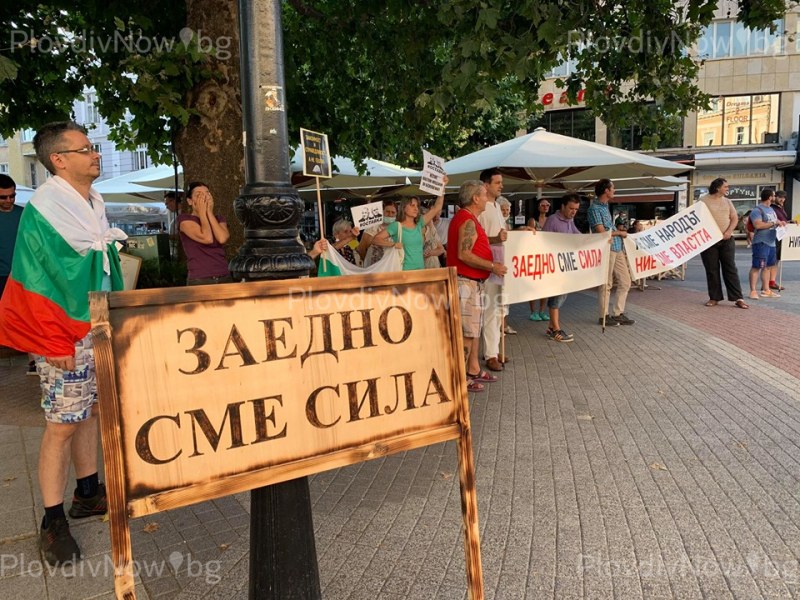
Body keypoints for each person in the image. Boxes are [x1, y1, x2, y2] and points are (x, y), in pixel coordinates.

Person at [0, 121, 127, 565]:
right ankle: (52, 523)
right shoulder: (48, 208)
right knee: (62, 424)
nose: (95, 155)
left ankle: (88, 493)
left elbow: (98, 267)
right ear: (58, 159)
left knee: (89, 411)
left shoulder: (92, 200)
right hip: (61, 333)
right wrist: (53, 340)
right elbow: (37, 281)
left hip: (92, 326)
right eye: (86, 149)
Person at [446, 180, 507, 393]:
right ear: (475, 198)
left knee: (472, 331)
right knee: (466, 333)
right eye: (484, 195)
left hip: (472, 282)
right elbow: (464, 253)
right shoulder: (468, 220)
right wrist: (492, 266)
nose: (486, 198)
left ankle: (471, 369)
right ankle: (460, 378)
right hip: (466, 282)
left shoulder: (469, 219)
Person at [588, 179, 635, 325]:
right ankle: (604, 316)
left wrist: (617, 233)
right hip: (607, 248)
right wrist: (619, 233)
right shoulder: (595, 208)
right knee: (606, 283)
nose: (614, 191)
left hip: (616, 247)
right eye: (613, 188)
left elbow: (607, 229)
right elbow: (601, 232)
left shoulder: (604, 206)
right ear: (606, 191)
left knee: (625, 281)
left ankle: (617, 312)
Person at [698, 178, 749, 309]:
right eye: (726, 186)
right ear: (717, 187)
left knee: (730, 268)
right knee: (712, 269)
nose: (728, 188)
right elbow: (697, 219)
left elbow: (734, 218)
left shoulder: (727, 201)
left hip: (727, 239)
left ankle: (738, 298)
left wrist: (729, 231)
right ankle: (714, 297)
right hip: (709, 241)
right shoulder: (703, 201)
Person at [478, 168, 508, 372]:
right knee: (490, 310)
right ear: (486, 185)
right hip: (488, 265)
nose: (501, 186)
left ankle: (495, 349)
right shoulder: (481, 208)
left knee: (498, 310)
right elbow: (477, 240)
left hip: (500, 264)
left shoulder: (497, 206)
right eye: (497, 182)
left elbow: (503, 234)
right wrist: (496, 239)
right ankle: (490, 354)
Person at [373, 185, 446, 270]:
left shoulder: (419, 223)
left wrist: (442, 187)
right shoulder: (396, 226)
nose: (416, 209)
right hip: (404, 273)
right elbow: (375, 239)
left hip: (421, 271)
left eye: (417, 206)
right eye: (412, 205)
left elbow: (437, 208)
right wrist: (392, 244)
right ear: (404, 208)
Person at [542, 194, 582, 342]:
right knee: (556, 298)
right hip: (554, 266)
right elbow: (543, 241)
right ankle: (556, 329)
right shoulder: (552, 220)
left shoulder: (570, 220)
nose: (573, 212)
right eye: (571, 208)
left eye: (576, 209)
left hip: (565, 266)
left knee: (561, 296)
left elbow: (577, 236)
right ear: (563, 206)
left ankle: (551, 327)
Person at [178, 181, 233, 285]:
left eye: (207, 193)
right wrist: (202, 213)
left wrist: (209, 213)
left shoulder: (219, 219)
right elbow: (207, 238)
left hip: (224, 275)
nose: (204, 197)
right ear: (190, 201)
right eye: (199, 195)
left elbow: (222, 238)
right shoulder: (184, 220)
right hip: (200, 278)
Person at [748, 189, 786, 299]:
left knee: (768, 267)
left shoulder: (771, 210)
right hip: (761, 242)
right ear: (770, 197)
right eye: (774, 195)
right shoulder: (757, 210)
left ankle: (766, 290)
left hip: (772, 242)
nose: (775, 197)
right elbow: (758, 225)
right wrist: (773, 223)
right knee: (757, 266)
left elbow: (774, 222)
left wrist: (780, 223)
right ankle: (753, 291)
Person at [528, 198, 551, 322]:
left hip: (546, 256)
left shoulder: (550, 220)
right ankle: (533, 311)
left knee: (545, 286)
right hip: (535, 255)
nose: (545, 207)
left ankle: (542, 311)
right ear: (537, 206)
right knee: (533, 285)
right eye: (543, 205)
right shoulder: (532, 221)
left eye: (547, 205)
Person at [357, 200, 396, 267]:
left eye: (393, 212)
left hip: (390, 268)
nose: (390, 215)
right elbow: (361, 249)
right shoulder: (372, 228)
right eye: (387, 212)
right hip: (373, 267)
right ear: (382, 211)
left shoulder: (398, 229)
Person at [769, 190, 792, 291]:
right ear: (775, 197)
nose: (782, 200)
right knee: (771, 261)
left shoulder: (781, 208)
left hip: (780, 236)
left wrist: (789, 222)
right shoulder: (771, 208)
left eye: (784, 198)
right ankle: (767, 283)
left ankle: (772, 282)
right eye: (780, 197)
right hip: (773, 236)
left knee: (776, 260)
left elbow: (783, 221)